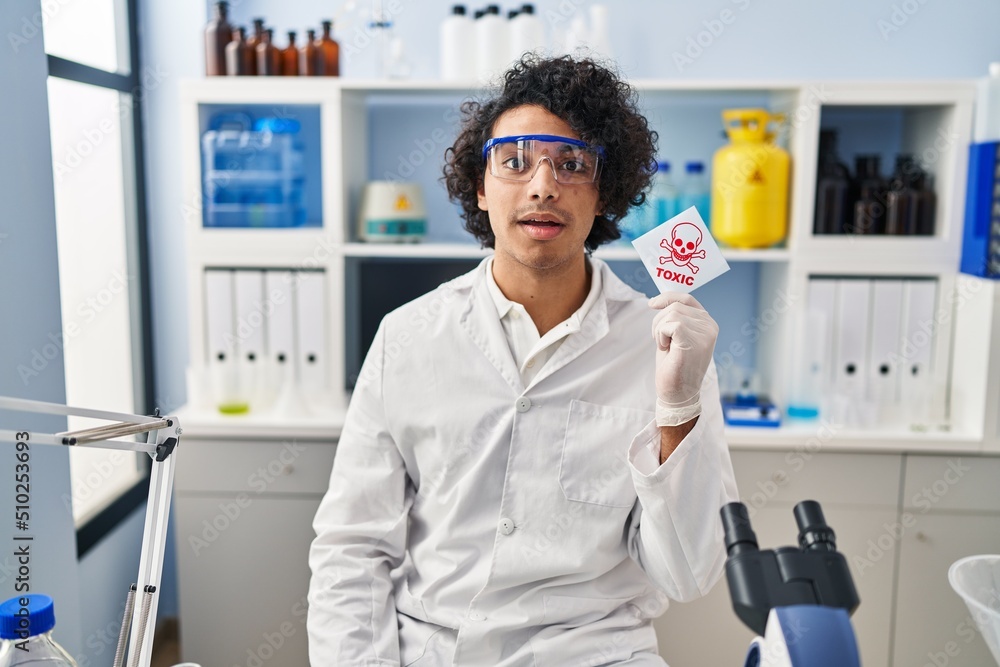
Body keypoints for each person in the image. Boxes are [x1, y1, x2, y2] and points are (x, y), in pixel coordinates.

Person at [308, 55, 738, 666]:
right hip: (433, 650)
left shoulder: (667, 350)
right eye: (515, 161)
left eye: (572, 164)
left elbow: (690, 575)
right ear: (481, 187)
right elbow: (352, 549)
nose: (542, 186)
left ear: (603, 196)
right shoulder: (407, 338)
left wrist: (677, 406)